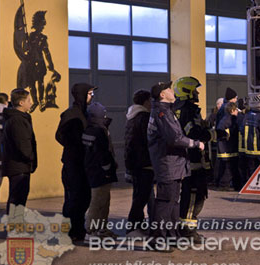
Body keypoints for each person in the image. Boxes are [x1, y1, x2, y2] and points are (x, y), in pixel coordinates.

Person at [147, 81, 205, 249]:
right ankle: (157, 240)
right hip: (168, 164)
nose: (172, 91)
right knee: (165, 203)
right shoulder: (162, 113)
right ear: (162, 95)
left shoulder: (166, 111)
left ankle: (173, 237)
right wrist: (195, 143)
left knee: (173, 203)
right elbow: (174, 138)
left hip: (174, 164)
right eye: (168, 89)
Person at [172, 76, 211, 243]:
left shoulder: (185, 109)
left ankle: (189, 229)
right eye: (194, 90)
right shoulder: (187, 110)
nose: (197, 93)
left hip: (193, 159)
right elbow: (193, 133)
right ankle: (186, 231)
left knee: (196, 195)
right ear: (187, 91)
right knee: (192, 196)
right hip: (192, 161)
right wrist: (212, 134)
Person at [56, 83, 95, 242]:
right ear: (82, 95)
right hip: (74, 164)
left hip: (82, 163)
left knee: (82, 198)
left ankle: (77, 230)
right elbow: (59, 136)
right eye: (90, 93)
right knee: (75, 199)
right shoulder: (72, 114)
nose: (91, 96)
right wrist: (75, 145)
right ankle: (71, 231)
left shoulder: (84, 113)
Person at [82, 102, 117, 239]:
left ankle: (101, 229)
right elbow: (103, 153)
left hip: (93, 171)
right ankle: (92, 230)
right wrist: (109, 167)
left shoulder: (89, 129)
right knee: (98, 202)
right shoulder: (99, 131)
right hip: (101, 173)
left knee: (103, 200)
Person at [124, 89, 154, 235]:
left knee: (140, 194)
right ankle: (133, 226)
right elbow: (149, 140)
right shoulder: (144, 117)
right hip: (144, 162)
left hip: (135, 162)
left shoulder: (132, 116)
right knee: (141, 196)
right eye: (150, 100)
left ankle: (139, 224)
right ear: (146, 101)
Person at [2, 89, 37, 214]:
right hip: (19, 166)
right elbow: (22, 144)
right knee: (17, 199)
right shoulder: (17, 120)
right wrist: (30, 157)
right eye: (29, 100)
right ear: (21, 103)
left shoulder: (18, 118)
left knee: (18, 199)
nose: (31, 103)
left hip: (19, 165)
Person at [215, 102, 240, 191]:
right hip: (227, 148)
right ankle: (223, 185)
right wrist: (227, 135)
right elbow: (220, 131)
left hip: (229, 147)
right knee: (228, 168)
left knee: (232, 167)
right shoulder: (227, 120)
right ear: (232, 110)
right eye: (236, 109)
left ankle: (235, 184)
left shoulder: (228, 119)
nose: (237, 111)